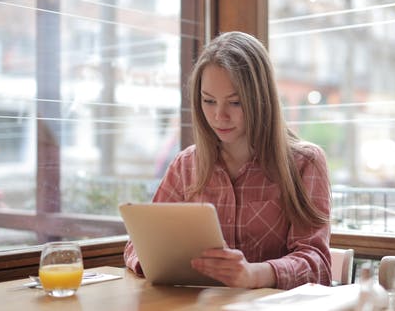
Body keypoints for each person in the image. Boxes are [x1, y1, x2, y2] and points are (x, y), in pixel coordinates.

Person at [124, 31, 332, 290]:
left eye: (235, 103)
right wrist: (157, 261)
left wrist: (255, 274)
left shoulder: (304, 163)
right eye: (208, 101)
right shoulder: (186, 165)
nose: (219, 116)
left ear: (261, 100)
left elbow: (318, 265)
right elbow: (136, 245)